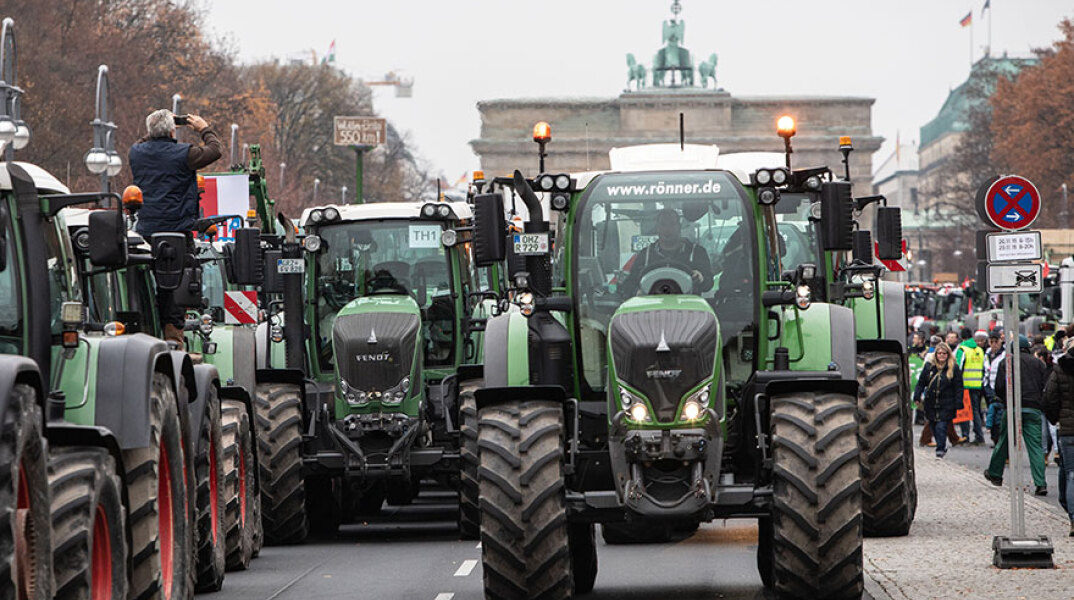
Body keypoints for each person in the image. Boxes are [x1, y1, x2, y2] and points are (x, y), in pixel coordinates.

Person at [128, 109, 222, 345]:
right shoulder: (184, 154)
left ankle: (146, 334)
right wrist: (203, 128)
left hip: (146, 231)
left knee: (146, 285)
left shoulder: (136, 153)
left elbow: (144, 141)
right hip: (177, 231)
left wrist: (160, 129)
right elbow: (215, 150)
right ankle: (174, 341)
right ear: (172, 131)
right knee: (174, 290)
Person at [985, 335, 1050, 496]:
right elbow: (1046, 385)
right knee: (1035, 447)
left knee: (1004, 441)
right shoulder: (1038, 364)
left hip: (1012, 407)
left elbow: (999, 386)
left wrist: (1005, 400)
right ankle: (1040, 483)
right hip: (1033, 409)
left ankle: (995, 473)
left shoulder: (1005, 362)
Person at [620, 207, 713, 296]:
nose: (667, 229)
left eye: (672, 224)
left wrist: (701, 278)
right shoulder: (645, 255)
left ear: (679, 227)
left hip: (690, 308)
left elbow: (709, 284)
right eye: (663, 224)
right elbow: (628, 284)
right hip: (651, 308)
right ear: (658, 228)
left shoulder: (697, 252)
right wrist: (637, 292)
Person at [1044, 337, 1074, 535]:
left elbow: (1049, 399)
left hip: (1068, 430)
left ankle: (1072, 516)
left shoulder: (1060, 369)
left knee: (1071, 472)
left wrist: (1056, 419)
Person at [914, 342, 963, 458]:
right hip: (931, 403)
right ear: (935, 355)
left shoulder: (954, 368)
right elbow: (921, 383)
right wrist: (917, 396)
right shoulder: (929, 367)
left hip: (946, 403)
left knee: (941, 426)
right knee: (933, 426)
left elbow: (959, 387)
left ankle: (940, 448)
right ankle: (940, 444)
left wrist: (958, 402)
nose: (941, 356)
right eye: (939, 353)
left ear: (948, 355)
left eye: (944, 353)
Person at [953, 330, 988, 444]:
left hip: (964, 384)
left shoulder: (962, 349)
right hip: (977, 385)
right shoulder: (979, 350)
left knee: (964, 412)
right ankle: (979, 436)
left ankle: (965, 436)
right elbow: (985, 367)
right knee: (975, 411)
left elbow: (958, 367)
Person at [984, 330, 1007, 445]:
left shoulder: (1004, 354)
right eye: (991, 342)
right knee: (991, 414)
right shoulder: (987, 355)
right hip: (989, 389)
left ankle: (999, 438)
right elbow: (986, 373)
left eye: (996, 341)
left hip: (1000, 390)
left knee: (999, 417)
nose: (993, 344)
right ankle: (994, 438)